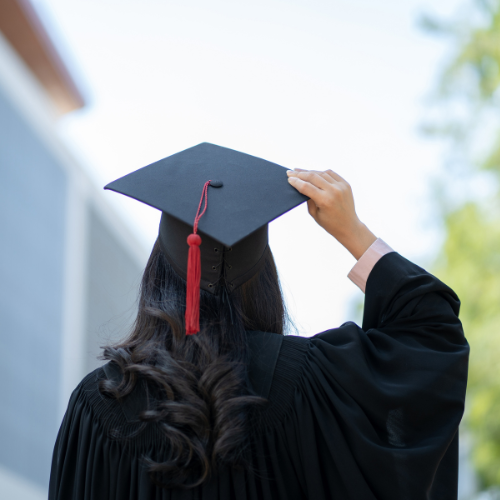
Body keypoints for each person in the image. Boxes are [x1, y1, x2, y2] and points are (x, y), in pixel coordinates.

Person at [49, 143, 469, 500]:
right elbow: (432, 334)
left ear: (160, 273)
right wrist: (354, 233)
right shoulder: (318, 383)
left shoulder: (99, 403)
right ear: (263, 276)